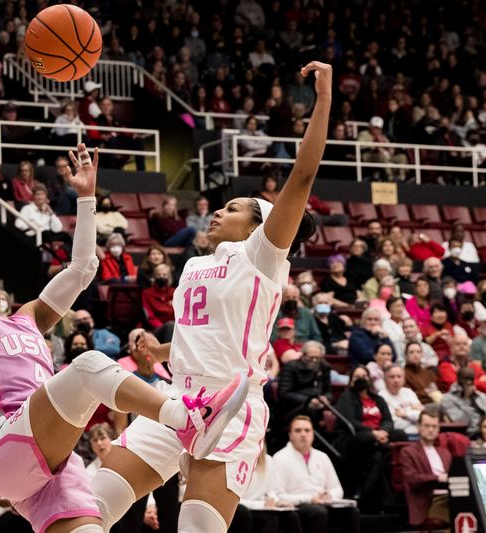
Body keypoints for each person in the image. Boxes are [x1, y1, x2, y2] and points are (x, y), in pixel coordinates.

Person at [0, 151, 248, 533]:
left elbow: (82, 268)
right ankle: (185, 418)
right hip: (8, 442)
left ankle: (187, 421)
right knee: (89, 365)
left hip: (50, 463)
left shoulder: (29, 318)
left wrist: (86, 199)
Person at [92, 62, 332, 533]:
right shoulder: (195, 264)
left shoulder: (261, 255)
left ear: (261, 224)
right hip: (176, 398)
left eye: (236, 207)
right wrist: (155, 351)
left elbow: (302, 178)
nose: (221, 210)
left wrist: (322, 100)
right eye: (222, 205)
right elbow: (194, 335)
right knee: (87, 508)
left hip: (230, 404)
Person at [271, 416, 359, 533]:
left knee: (352, 511)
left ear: (313, 434)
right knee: (318, 512)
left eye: (307, 430)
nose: (303, 434)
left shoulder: (322, 456)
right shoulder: (280, 458)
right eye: (298, 430)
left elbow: (337, 488)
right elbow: (277, 495)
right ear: (290, 435)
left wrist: (330, 494)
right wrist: (310, 499)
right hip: (297, 505)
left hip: (322, 503)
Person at [335, 365, 405, 511]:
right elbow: (349, 421)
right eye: (357, 377)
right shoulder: (347, 397)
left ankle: (368, 494)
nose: (361, 380)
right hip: (355, 438)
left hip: (377, 438)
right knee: (371, 444)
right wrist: (373, 433)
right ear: (351, 380)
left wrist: (383, 432)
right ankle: (384, 501)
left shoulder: (377, 399)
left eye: (364, 376)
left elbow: (388, 420)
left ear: (369, 379)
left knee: (398, 435)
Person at [400, 411, 451, 529]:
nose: (431, 430)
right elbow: (412, 479)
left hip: (449, 496)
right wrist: (437, 477)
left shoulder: (445, 453)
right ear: (419, 427)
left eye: (434, 426)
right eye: (427, 426)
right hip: (428, 498)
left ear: (438, 429)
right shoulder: (408, 452)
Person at [278, 341, 332, 422]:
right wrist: (308, 400)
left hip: (319, 404)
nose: (314, 360)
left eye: (318, 358)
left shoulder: (324, 367)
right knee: (312, 410)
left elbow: (329, 391)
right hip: (294, 407)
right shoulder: (290, 367)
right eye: (311, 357)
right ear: (303, 355)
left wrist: (325, 398)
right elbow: (284, 393)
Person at [440, 367, 486, 437]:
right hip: (465, 434)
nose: (469, 382)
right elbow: (463, 421)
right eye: (466, 379)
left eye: (471, 379)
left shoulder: (481, 396)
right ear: (458, 379)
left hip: (482, 433)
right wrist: (466, 398)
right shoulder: (447, 399)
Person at [379, 366, 423, 436]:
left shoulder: (409, 392)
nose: (396, 380)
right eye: (392, 377)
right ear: (385, 380)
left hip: (419, 433)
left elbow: (422, 415)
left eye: (399, 377)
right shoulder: (381, 396)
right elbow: (394, 423)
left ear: (404, 380)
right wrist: (414, 416)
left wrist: (405, 414)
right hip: (399, 435)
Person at [141, 264, 175, 330]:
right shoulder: (147, 293)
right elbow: (149, 315)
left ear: (169, 277)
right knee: (169, 326)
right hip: (156, 328)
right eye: (158, 275)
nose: (161, 277)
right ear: (154, 277)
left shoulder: (174, 292)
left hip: (174, 327)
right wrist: (161, 327)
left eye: (164, 275)